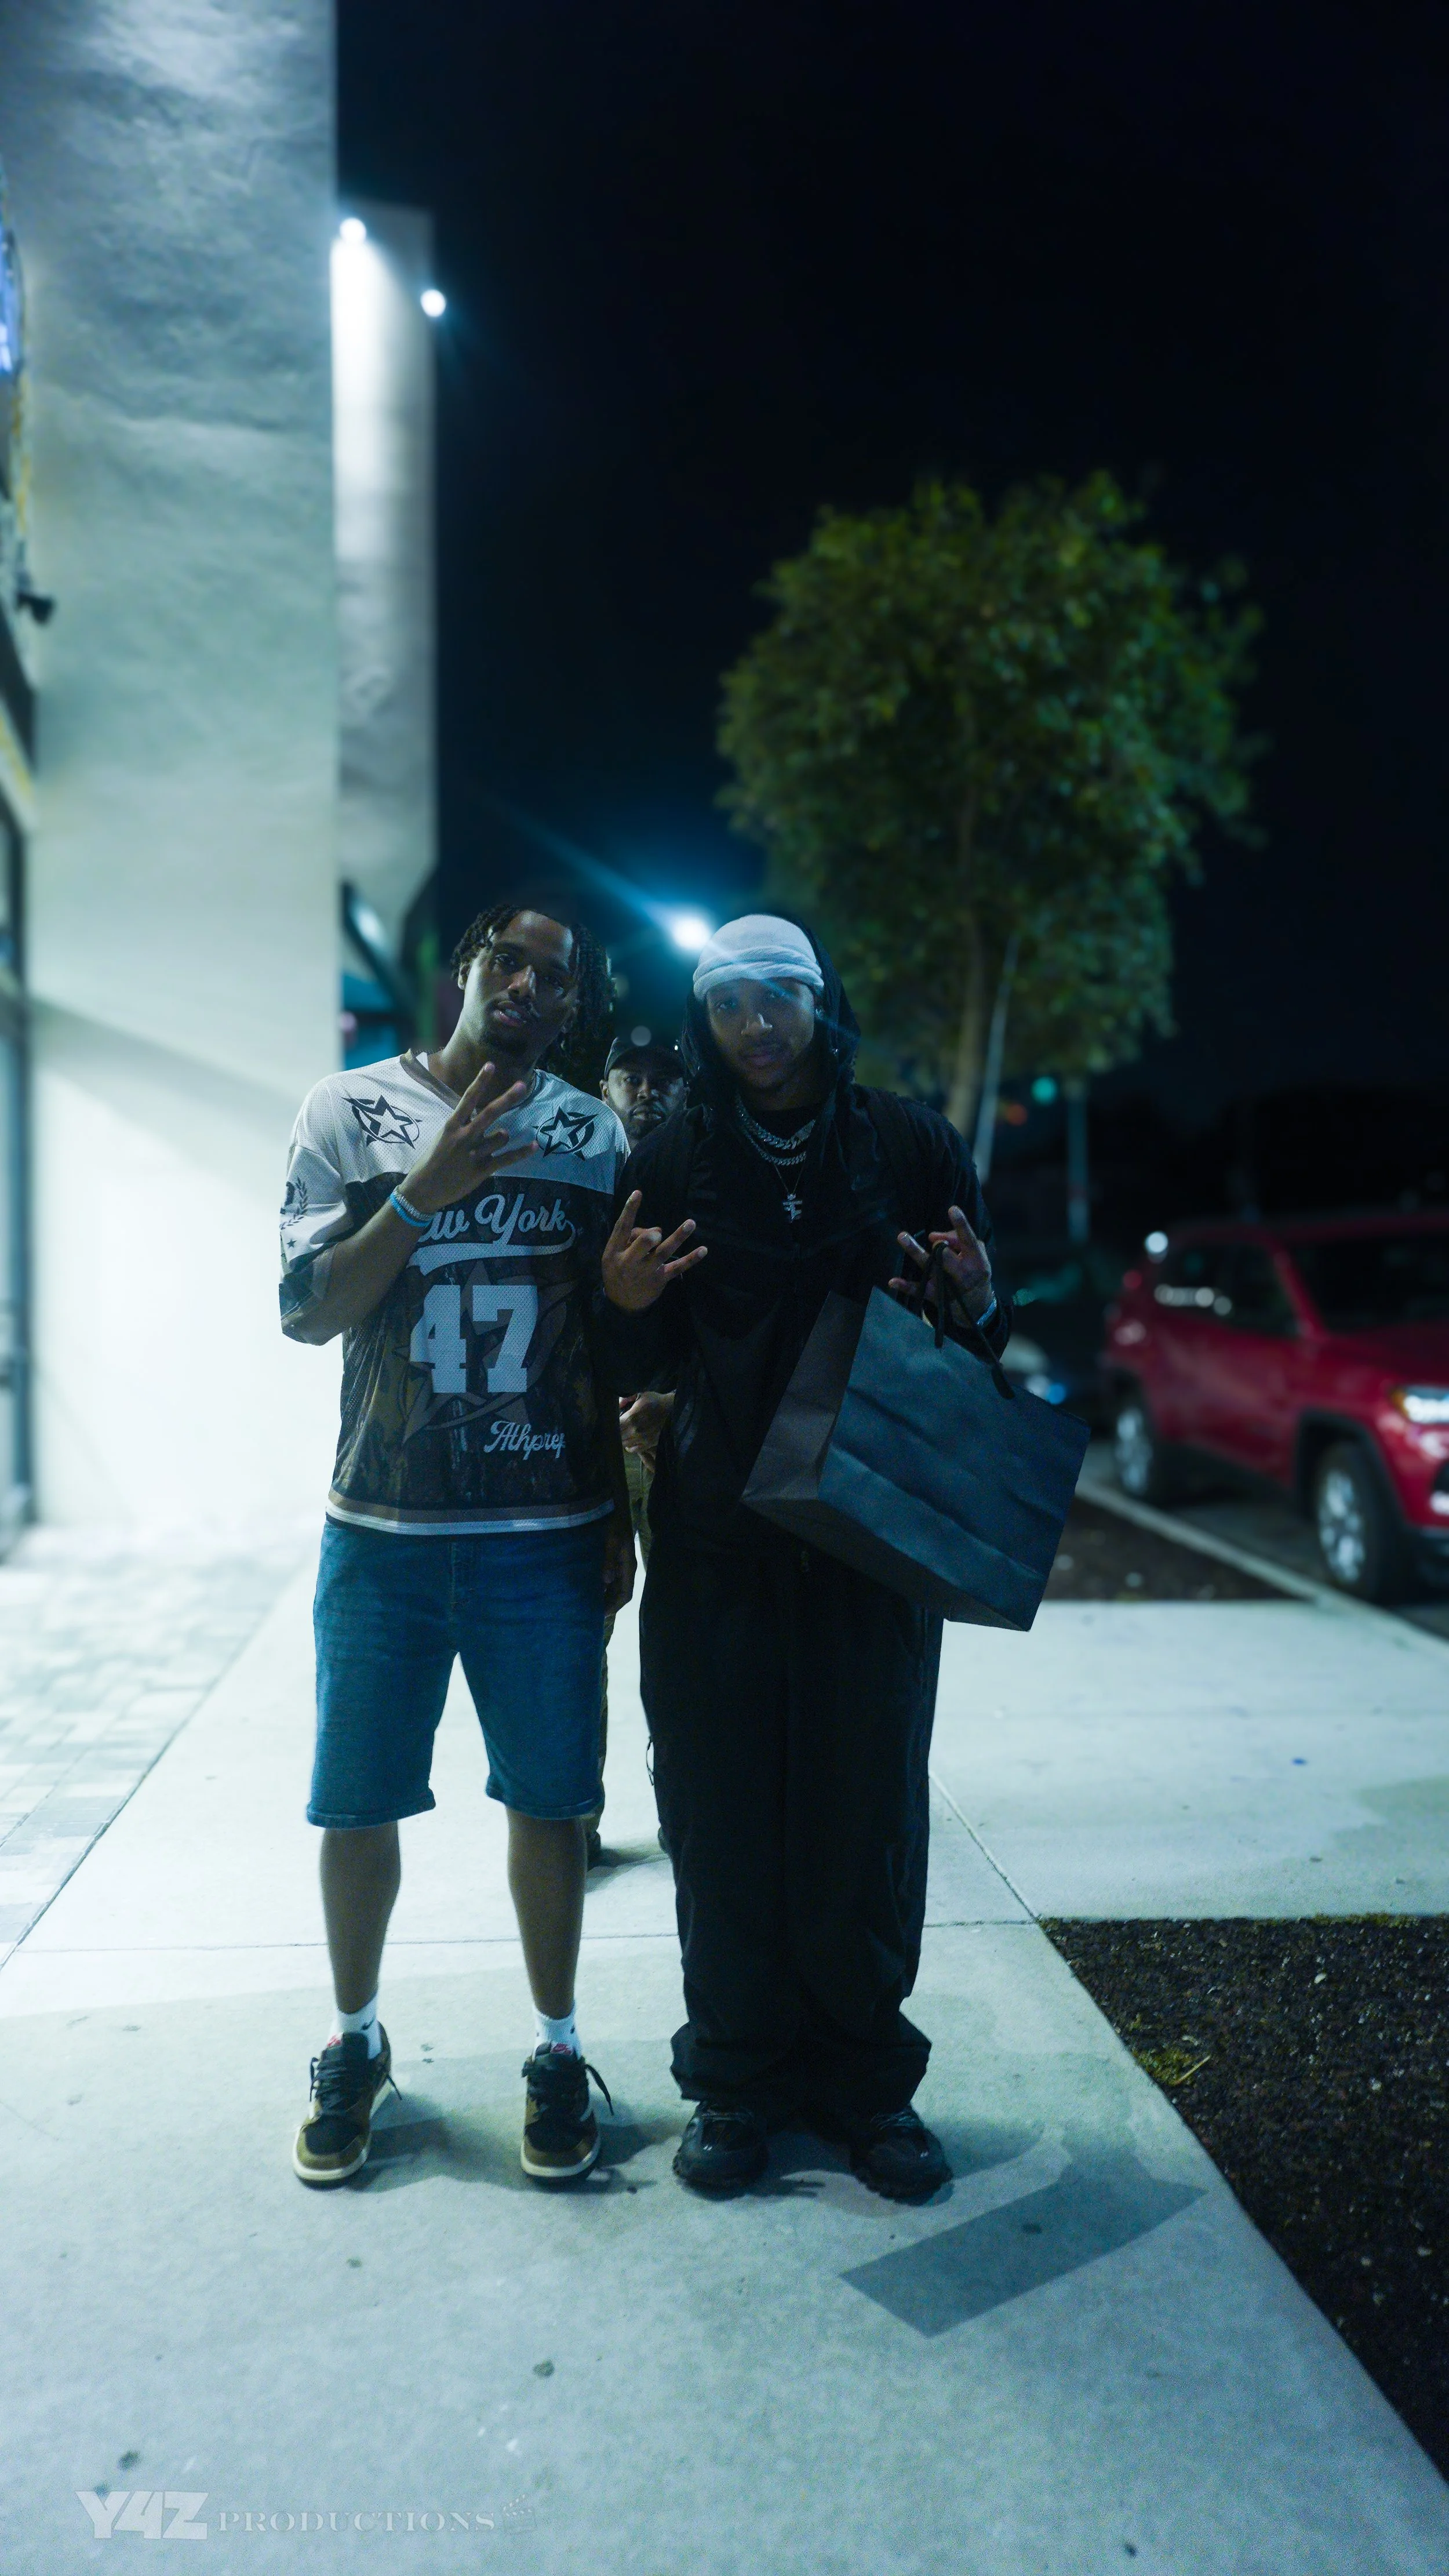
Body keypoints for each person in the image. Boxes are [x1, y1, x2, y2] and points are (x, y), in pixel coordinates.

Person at [597, 913, 1011, 2203]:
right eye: (730, 1005)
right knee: (717, 1814)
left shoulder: (903, 1145)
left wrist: (979, 1299)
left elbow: (972, 1345)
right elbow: (629, 1371)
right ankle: (734, 2082)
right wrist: (618, 1311)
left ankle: (866, 2090)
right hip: (718, 1545)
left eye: (778, 997)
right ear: (704, 1024)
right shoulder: (668, 1158)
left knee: (862, 1809)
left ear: (818, 1004)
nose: (757, 1025)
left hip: (865, 1541)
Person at [279, 898, 634, 2188]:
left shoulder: (592, 1132)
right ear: (464, 973)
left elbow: (601, 1341)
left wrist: (617, 1513)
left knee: (552, 1795)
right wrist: (420, 1200)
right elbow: (307, 1311)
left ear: (573, 1005)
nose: (530, 987)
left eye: (557, 977)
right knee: (357, 1799)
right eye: (510, 961)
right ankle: (356, 2038)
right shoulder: (347, 1110)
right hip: (382, 1526)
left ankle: (554, 2045)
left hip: (542, 1531)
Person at [585, 1034, 686, 1865]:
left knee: (684, 1630)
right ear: (606, 1084)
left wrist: (673, 1402)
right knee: (588, 1630)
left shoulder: (701, 1177)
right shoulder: (580, 1171)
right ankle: (575, 1816)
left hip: (677, 1441)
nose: (647, 1092)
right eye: (633, 1077)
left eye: (664, 1080)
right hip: (592, 1438)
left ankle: (686, 1801)